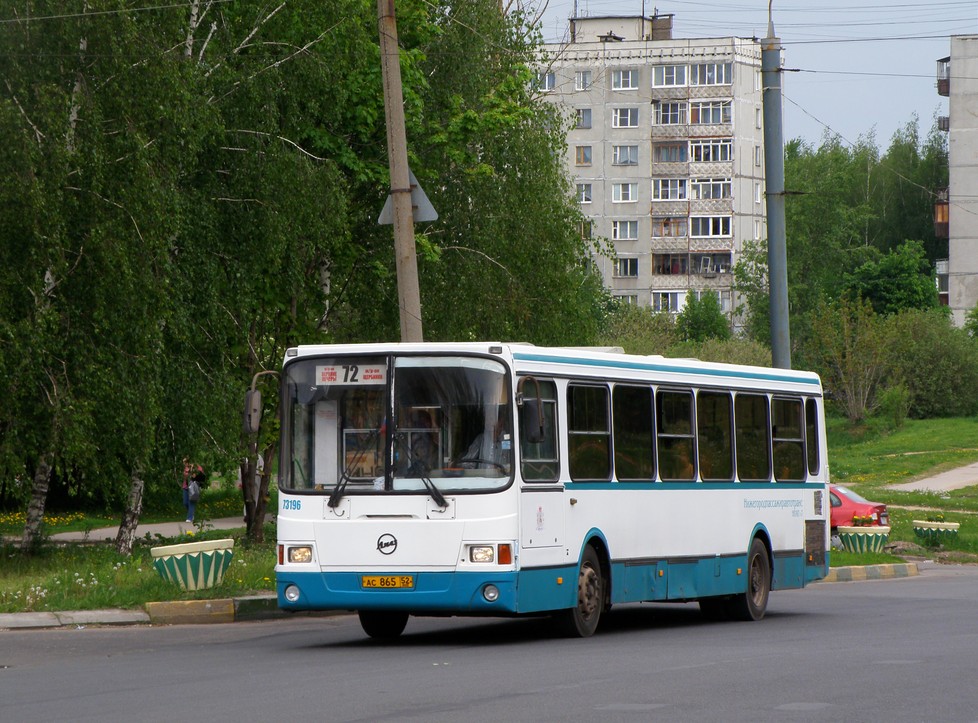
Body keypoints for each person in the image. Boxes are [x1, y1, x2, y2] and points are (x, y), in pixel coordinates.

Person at [181, 458, 203, 523]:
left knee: (191, 502)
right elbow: (184, 477)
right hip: (186, 486)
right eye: (184, 462)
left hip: (193, 487)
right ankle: (191, 513)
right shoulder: (185, 468)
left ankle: (190, 517)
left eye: (185, 462)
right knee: (185, 502)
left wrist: (194, 472)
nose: (184, 464)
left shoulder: (195, 467)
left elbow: (200, 473)